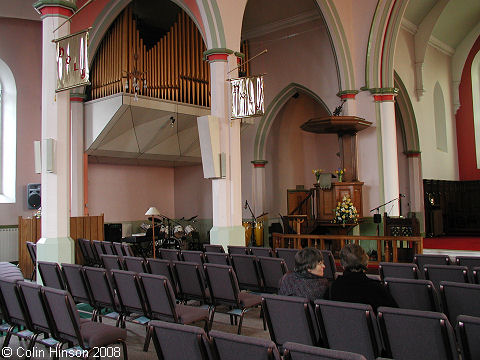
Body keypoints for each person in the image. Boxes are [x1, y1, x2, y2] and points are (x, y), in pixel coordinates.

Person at [329, 243, 397, 312]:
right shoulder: (376, 288)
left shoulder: (334, 287)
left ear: (342, 264)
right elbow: (394, 316)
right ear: (365, 262)